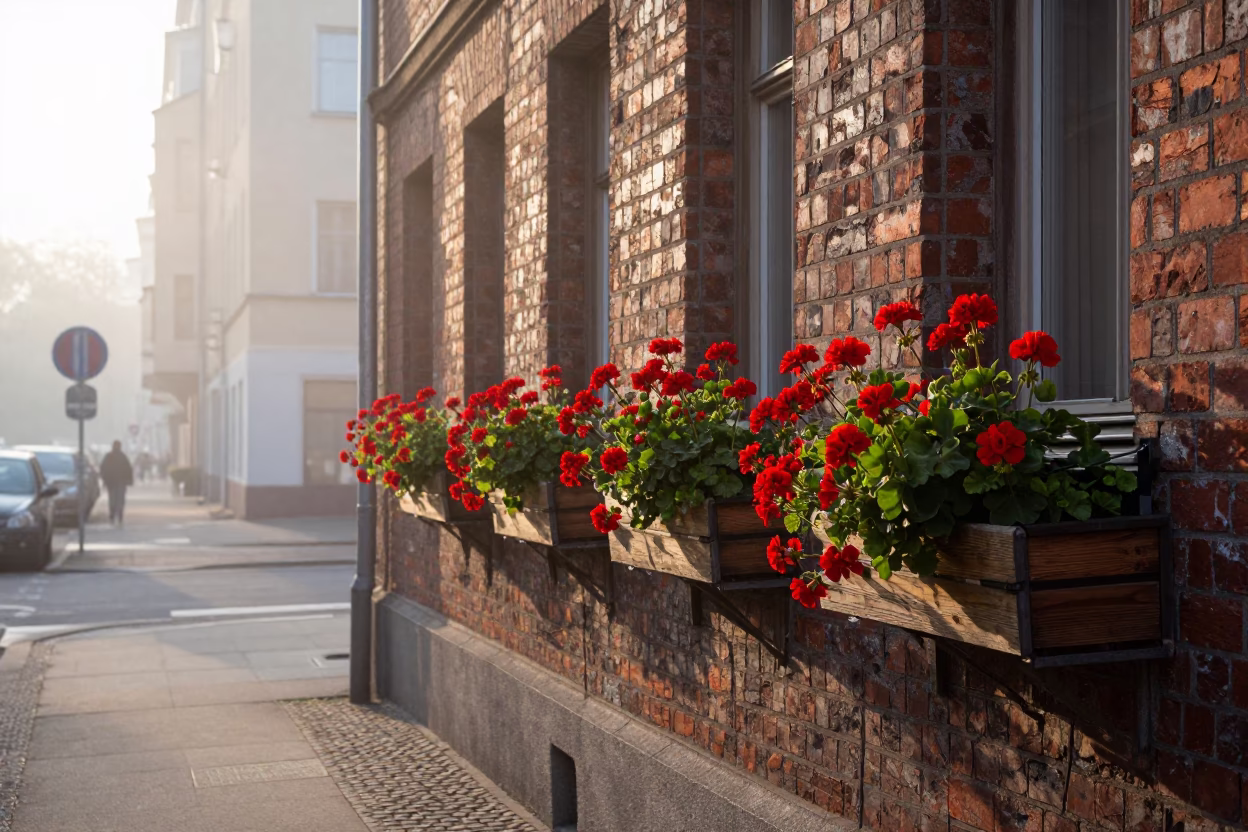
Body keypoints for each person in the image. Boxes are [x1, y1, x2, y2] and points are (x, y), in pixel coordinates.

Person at [98, 440, 134, 526]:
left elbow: (103, 469)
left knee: (113, 499)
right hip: (119, 482)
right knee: (119, 500)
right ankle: (118, 515)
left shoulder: (109, 456)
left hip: (113, 482)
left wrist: (104, 479)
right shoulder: (122, 457)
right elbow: (129, 469)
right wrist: (129, 480)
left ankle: (113, 515)